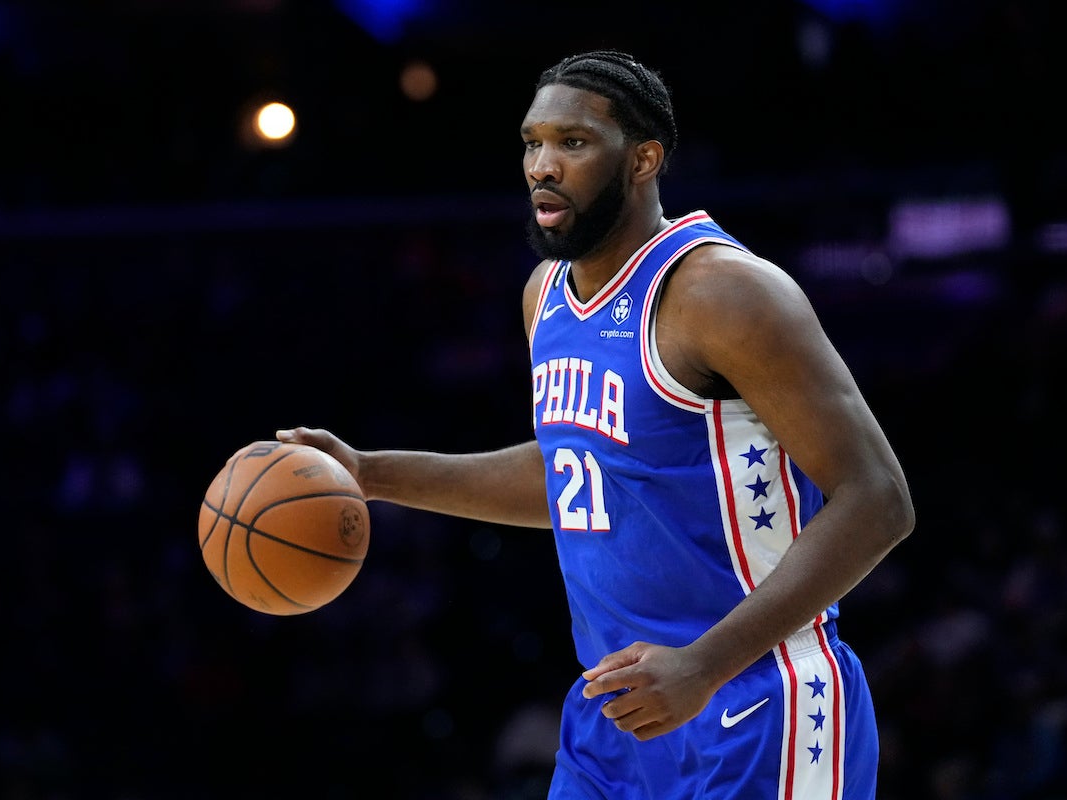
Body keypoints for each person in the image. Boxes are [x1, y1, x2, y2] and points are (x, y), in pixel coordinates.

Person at [277, 49, 914, 799]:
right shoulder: (543, 296)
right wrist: (371, 473)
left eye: (572, 143)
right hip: (616, 720)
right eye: (532, 142)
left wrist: (706, 665)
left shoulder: (722, 292)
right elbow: (574, 472)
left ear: (643, 158)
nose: (543, 165)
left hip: (756, 702)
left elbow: (879, 499)